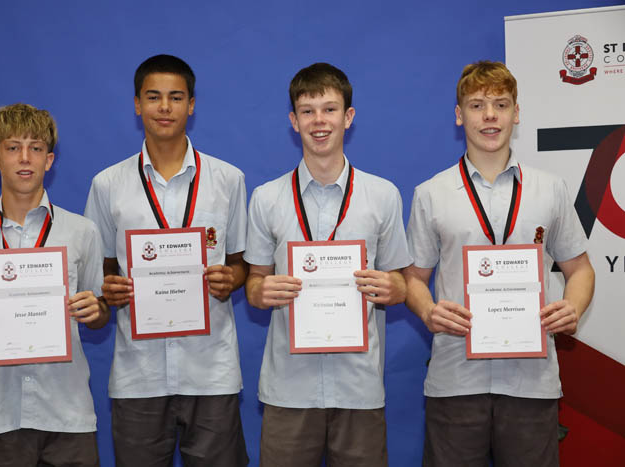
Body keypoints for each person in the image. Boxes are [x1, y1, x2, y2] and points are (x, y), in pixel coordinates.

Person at [403, 60, 595, 467]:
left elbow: (580, 269)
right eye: (477, 105)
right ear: (459, 115)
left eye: (501, 104)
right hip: (456, 379)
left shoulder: (551, 189)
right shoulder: (431, 194)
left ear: (516, 113)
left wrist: (573, 307)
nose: (489, 116)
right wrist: (428, 310)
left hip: (532, 382)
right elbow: (413, 279)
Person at [84, 54, 249, 467]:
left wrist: (232, 279)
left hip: (210, 371)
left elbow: (242, 262)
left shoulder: (228, 180)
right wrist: (108, 288)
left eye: (176, 97)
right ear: (137, 104)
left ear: (191, 105)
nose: (164, 107)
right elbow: (99, 268)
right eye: (153, 96)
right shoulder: (107, 185)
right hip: (139, 374)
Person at [244, 62, 412, 467]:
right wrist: (260, 292)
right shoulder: (266, 198)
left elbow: (401, 283)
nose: (319, 121)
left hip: (358, 388)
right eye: (307, 110)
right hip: (289, 388)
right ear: (293, 120)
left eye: (330, 109)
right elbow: (253, 284)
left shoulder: (382, 195)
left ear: (348, 117)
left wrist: (395, 289)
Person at [0, 103, 109, 467]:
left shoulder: (83, 233)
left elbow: (101, 313)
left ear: (49, 159)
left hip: (67, 416)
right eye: (13, 147)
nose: (25, 158)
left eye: (36, 148)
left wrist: (97, 310)